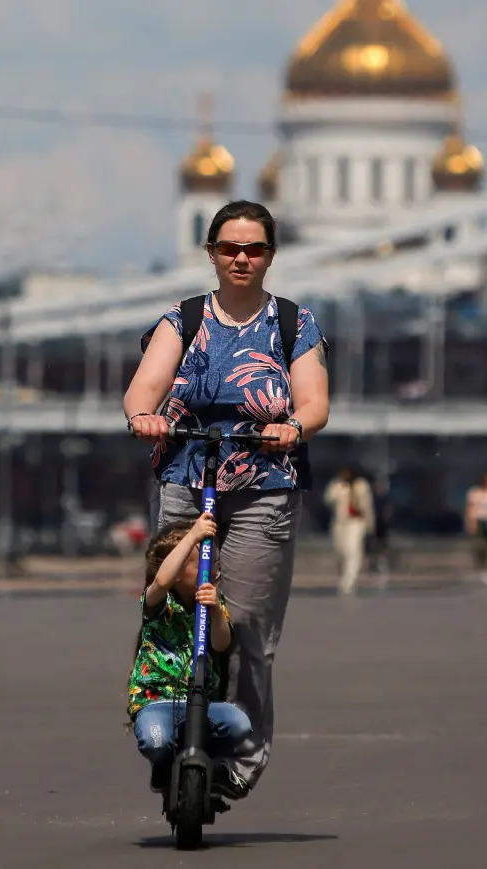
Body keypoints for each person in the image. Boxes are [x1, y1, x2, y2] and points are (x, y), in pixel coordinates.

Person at [123, 200, 329, 796]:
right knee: (171, 609)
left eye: (255, 248)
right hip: (187, 477)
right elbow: (146, 387)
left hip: (265, 485)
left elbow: (314, 401)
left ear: (270, 256)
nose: (242, 258)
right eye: (230, 248)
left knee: (248, 630)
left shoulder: (293, 323)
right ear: (211, 253)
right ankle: (167, 728)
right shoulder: (183, 319)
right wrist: (144, 416)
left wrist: (296, 425)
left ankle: (240, 756)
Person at [127, 514, 252, 799]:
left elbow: (221, 644)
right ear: (181, 568)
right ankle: (163, 763)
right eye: (204, 562)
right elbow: (162, 579)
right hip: (156, 700)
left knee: (240, 725)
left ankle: (215, 764)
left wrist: (216, 612)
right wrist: (193, 536)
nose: (214, 569)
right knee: (156, 742)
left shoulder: (210, 603)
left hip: (199, 702)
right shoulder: (158, 603)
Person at [324, 466, 375, 594]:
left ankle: (348, 582)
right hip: (340, 523)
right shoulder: (336, 485)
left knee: (352, 550)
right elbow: (328, 499)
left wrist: (370, 525)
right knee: (340, 551)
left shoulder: (361, 485)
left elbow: (368, 506)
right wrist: (337, 491)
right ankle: (343, 576)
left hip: (356, 522)